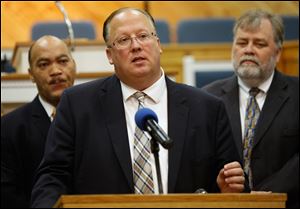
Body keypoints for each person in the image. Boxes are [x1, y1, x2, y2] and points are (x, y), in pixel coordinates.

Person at [31, 8, 246, 208]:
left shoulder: (207, 108)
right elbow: (53, 177)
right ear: (109, 55)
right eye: (123, 40)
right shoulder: (78, 105)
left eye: (144, 36)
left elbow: (232, 184)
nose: (136, 46)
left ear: (158, 44)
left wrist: (224, 189)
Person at [202, 9, 298, 208]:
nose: (249, 50)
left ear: (278, 52)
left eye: (260, 44)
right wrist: (217, 184)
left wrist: (265, 195)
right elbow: (199, 160)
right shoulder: (206, 98)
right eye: (242, 42)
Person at [1, 35, 76, 208]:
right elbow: (8, 196)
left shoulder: (98, 117)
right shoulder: (8, 129)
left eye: (63, 61)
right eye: (44, 65)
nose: (56, 70)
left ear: (74, 65)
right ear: (31, 74)